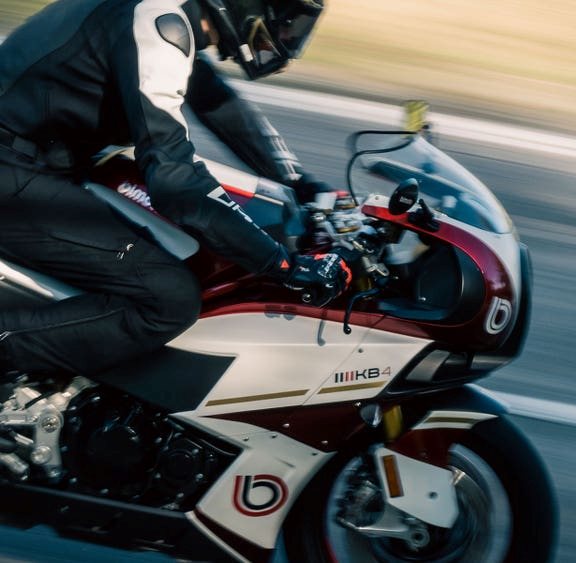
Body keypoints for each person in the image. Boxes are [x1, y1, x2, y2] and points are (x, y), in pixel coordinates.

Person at [0, 0, 350, 378]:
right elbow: (175, 181)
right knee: (169, 297)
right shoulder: (158, 23)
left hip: (37, 163)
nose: (286, 35)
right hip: (15, 170)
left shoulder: (163, 14)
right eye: (286, 19)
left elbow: (217, 103)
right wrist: (281, 263)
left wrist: (299, 181)